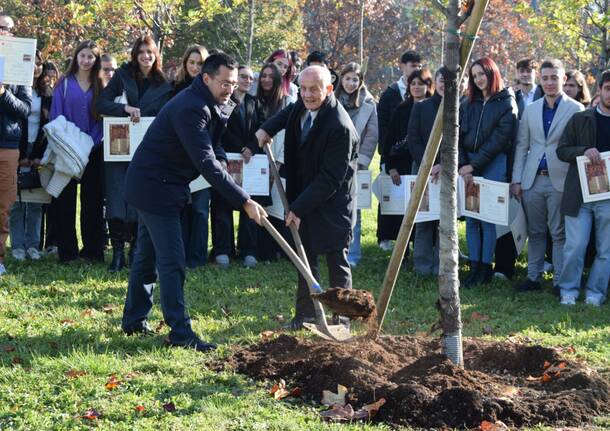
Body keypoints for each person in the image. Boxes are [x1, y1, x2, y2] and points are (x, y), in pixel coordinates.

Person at [121, 52, 267, 352]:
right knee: (173, 261)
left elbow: (212, 144)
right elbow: (205, 163)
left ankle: (134, 320)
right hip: (154, 188)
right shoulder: (191, 107)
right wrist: (245, 201)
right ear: (206, 78)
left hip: (160, 185)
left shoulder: (209, 103)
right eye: (224, 83)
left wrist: (223, 158)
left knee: (146, 257)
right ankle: (180, 332)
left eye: (233, 83)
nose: (230, 89)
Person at [255, 65, 359, 330]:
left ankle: (342, 318)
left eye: (314, 89)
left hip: (334, 202)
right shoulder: (302, 105)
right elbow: (288, 113)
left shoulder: (340, 125)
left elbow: (330, 178)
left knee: (336, 259)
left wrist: (297, 208)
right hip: (304, 192)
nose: (308, 94)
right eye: (303, 88)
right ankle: (305, 315)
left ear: (329, 89)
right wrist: (267, 129)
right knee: (305, 254)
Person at [97, 35, 172, 272]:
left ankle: (136, 249)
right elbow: (101, 104)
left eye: (149, 52)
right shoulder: (122, 75)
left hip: (148, 149)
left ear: (156, 55)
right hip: (120, 145)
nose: (145, 57)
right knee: (117, 198)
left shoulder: (164, 83)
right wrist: (125, 109)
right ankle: (117, 252)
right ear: (135, 54)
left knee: (141, 200)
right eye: (141, 52)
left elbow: (168, 116)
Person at [511, 59, 584, 293]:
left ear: (563, 79)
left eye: (555, 78)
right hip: (533, 179)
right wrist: (517, 179)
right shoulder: (531, 109)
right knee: (535, 231)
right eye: (546, 78)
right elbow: (522, 146)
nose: (550, 82)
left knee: (559, 232)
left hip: (561, 179)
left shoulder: (576, 109)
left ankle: (559, 281)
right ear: (540, 80)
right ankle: (533, 278)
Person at [458, 57, 519, 287]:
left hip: (492, 164)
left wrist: (473, 167)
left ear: (492, 73)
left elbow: (499, 141)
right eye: (474, 76)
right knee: (472, 219)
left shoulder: (506, 102)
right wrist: (464, 166)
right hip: (468, 166)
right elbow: (459, 136)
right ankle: (474, 267)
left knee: (487, 219)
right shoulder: (468, 103)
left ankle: (485, 267)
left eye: (482, 74)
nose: (478, 79)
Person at [212, 64, 277, 268]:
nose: (247, 81)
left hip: (251, 161)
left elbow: (263, 128)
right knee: (223, 204)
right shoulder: (228, 102)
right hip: (228, 159)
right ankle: (223, 250)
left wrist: (251, 147)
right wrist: (239, 149)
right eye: (243, 77)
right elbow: (221, 128)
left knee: (250, 203)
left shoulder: (254, 102)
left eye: (250, 78)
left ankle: (248, 250)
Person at [555, 70, 610, 306]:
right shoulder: (581, 119)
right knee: (575, 246)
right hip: (580, 193)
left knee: (606, 249)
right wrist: (583, 151)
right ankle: (568, 290)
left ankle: (595, 293)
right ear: (599, 90)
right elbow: (561, 150)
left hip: (608, 196)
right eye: (608, 88)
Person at [49, 40, 105, 264]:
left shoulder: (101, 85)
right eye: (82, 55)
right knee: (65, 202)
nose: (86, 60)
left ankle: (92, 251)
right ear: (76, 56)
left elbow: (103, 119)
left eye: (91, 56)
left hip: (93, 151)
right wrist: (71, 143)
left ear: (96, 59)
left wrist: (89, 144)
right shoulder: (63, 83)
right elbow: (56, 116)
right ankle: (68, 253)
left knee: (92, 202)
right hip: (67, 150)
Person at [383, 68, 434, 261]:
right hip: (402, 167)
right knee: (402, 212)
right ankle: (402, 253)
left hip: (425, 165)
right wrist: (391, 167)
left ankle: (423, 252)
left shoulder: (434, 108)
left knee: (425, 211)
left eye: (420, 83)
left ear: (428, 85)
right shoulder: (401, 109)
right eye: (413, 83)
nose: (416, 87)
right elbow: (388, 142)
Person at [377, 50, 422, 250]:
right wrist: (387, 157)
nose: (415, 69)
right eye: (412, 65)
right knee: (390, 196)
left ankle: (411, 239)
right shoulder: (390, 94)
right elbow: (384, 128)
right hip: (394, 154)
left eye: (418, 66)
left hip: (415, 156)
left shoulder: (423, 93)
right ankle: (385, 237)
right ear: (402, 66)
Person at [334, 62, 378, 267]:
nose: (351, 83)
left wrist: (363, 161)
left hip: (356, 163)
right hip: (332, 160)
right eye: (347, 78)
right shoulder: (331, 99)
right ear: (341, 79)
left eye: (355, 79)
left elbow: (371, 134)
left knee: (354, 210)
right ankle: (332, 249)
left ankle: (353, 253)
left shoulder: (368, 103)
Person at [10, 51, 52, 262]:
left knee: (35, 201)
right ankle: (17, 246)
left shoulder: (46, 93)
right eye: (30, 63)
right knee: (16, 201)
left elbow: (49, 126)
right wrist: (19, 156)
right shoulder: (13, 88)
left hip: (39, 148)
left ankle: (33, 246)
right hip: (16, 146)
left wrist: (37, 156)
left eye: (38, 64)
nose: (35, 67)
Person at [173, 45, 211, 269]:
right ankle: (181, 255)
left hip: (202, 156)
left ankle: (197, 258)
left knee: (199, 209)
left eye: (200, 63)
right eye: (192, 62)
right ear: (185, 64)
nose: (196, 67)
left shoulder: (212, 92)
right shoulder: (174, 89)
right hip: (178, 158)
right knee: (181, 209)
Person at [0, 13, 32, 277]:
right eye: (0, 28)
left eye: (7, 28)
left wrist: (3, 92)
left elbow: (24, 109)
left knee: (3, 205)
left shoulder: (21, 68)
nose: (3, 32)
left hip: (7, 146)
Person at [256, 63, 297, 262]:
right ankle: (265, 251)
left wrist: (278, 163)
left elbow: (286, 134)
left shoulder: (288, 101)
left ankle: (285, 250)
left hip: (278, 161)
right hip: (256, 161)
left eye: (271, 77)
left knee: (280, 207)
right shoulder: (255, 101)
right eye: (263, 75)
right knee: (263, 206)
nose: (266, 80)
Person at [407, 68, 445, 275]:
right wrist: (428, 164)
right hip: (422, 168)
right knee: (423, 220)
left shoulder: (460, 107)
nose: (445, 85)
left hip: (447, 169)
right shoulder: (422, 107)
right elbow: (413, 138)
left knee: (443, 222)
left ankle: (442, 266)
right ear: (435, 82)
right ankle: (422, 266)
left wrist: (443, 164)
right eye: (442, 80)